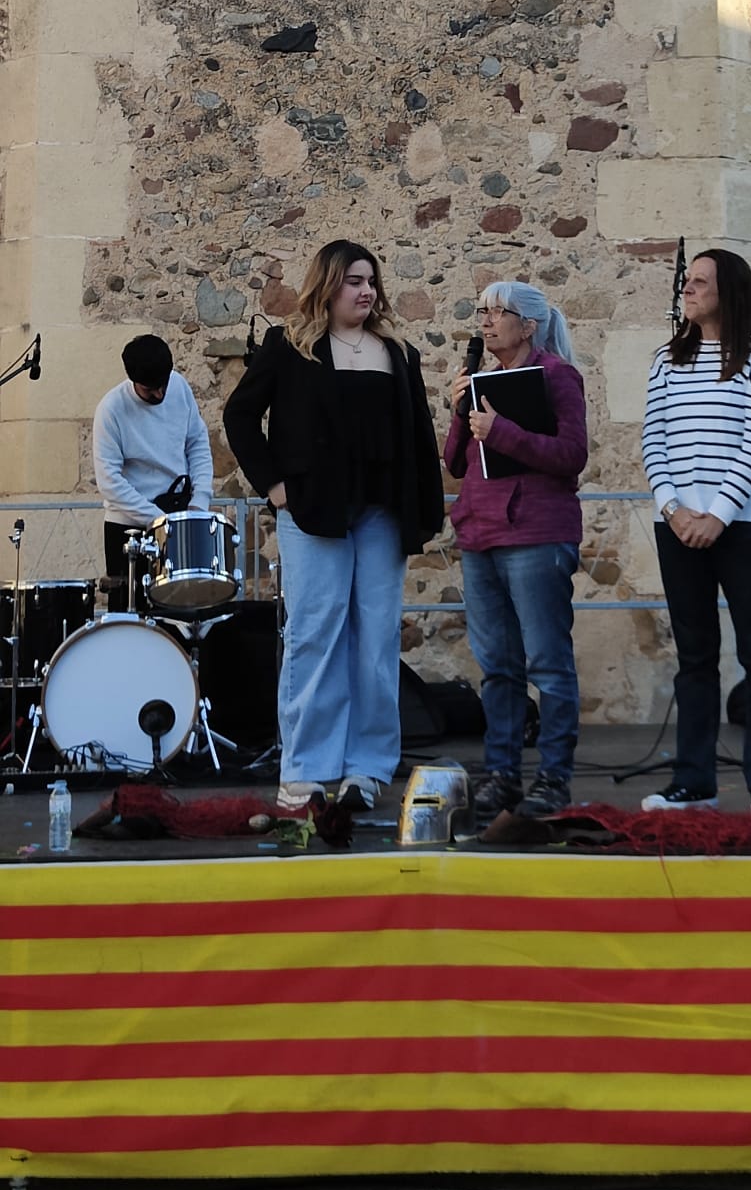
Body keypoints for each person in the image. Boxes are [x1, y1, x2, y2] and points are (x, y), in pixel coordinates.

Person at [223, 239, 444, 814]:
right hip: (313, 512)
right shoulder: (289, 345)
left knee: (376, 640)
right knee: (314, 636)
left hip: (381, 513)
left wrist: (422, 507)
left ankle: (367, 769)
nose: (366, 291)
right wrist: (274, 486)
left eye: (371, 281)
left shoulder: (397, 352)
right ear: (327, 284)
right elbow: (239, 415)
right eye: (354, 281)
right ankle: (306, 771)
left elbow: (418, 434)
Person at [641, 248, 751, 820]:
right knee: (695, 657)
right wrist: (674, 509)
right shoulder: (666, 358)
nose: (689, 288)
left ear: (730, 291)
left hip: (747, 526)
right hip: (678, 526)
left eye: (701, 281)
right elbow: (653, 440)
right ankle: (693, 780)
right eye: (688, 280)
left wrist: (718, 515)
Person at [444, 280, 588, 819]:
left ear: (528, 325)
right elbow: (454, 462)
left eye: (497, 312)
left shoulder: (556, 376)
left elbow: (572, 454)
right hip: (480, 533)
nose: (485, 321)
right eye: (481, 311)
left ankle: (553, 778)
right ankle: (502, 774)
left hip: (536, 533)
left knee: (547, 663)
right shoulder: (482, 379)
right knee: (498, 667)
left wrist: (501, 431)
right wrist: (459, 409)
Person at [92, 335, 214, 613]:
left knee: (181, 614)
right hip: (130, 528)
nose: (159, 394)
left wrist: (199, 502)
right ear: (133, 380)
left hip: (179, 515)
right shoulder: (111, 409)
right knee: (130, 617)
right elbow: (109, 481)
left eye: (163, 385)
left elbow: (197, 443)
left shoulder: (180, 388)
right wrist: (157, 521)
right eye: (150, 390)